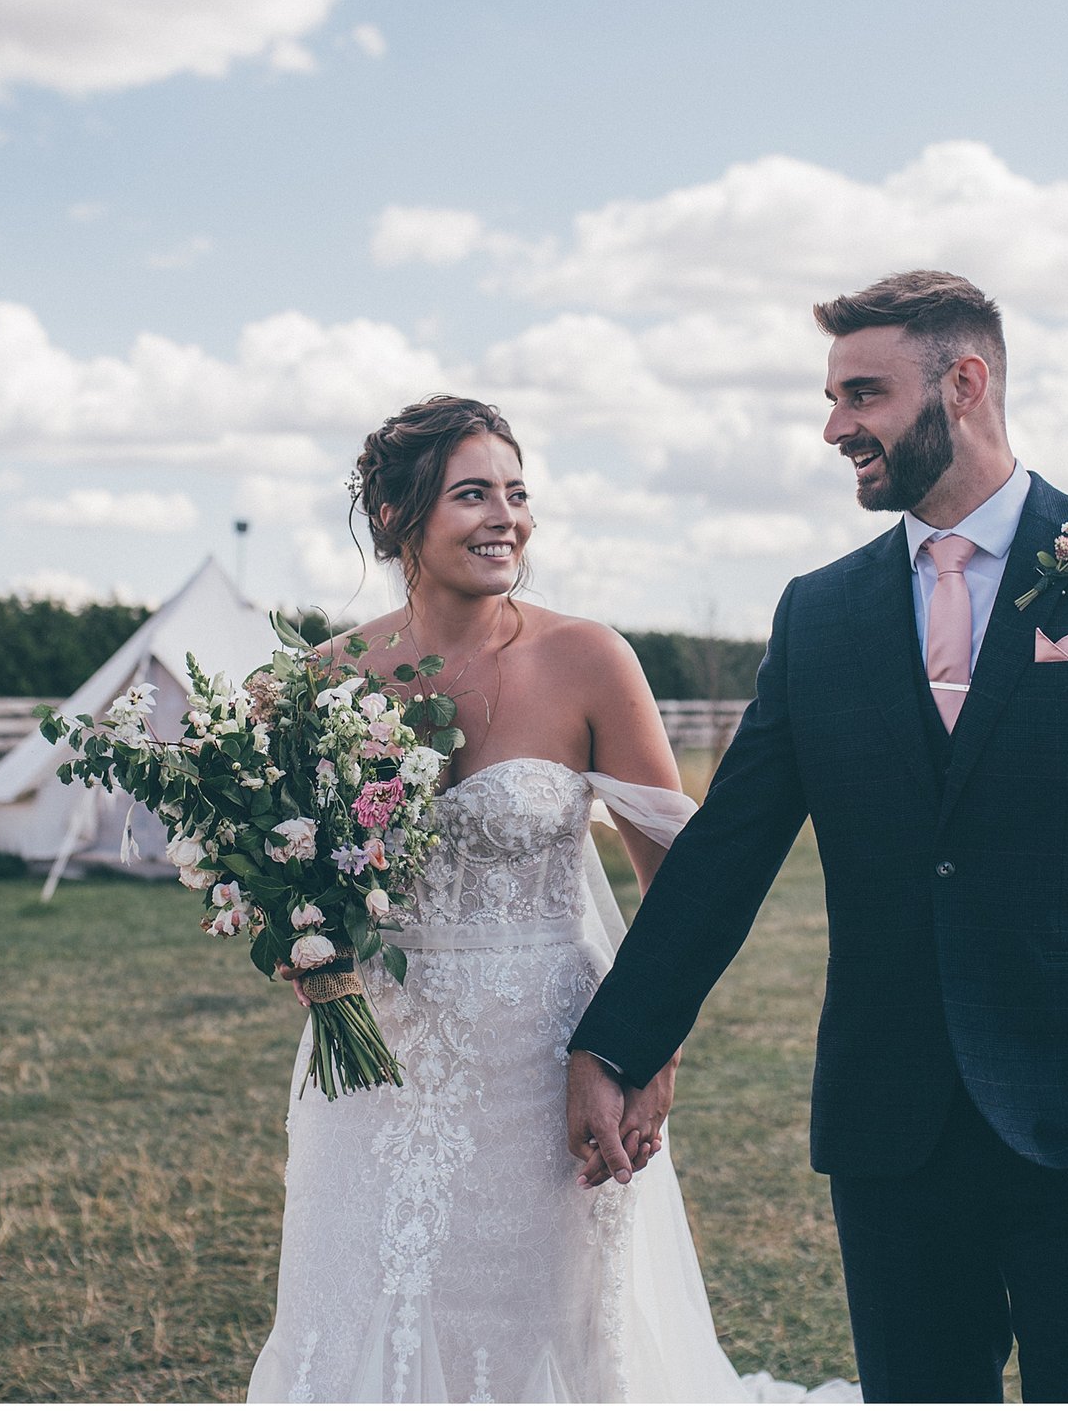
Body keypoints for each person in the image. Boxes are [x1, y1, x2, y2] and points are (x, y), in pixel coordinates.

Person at [567, 271, 1068, 1404]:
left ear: (965, 381)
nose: (834, 426)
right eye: (833, 396)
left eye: (863, 393)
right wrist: (615, 1042)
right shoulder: (821, 612)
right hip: (892, 1134)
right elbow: (727, 855)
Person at [245, 395, 849, 1404]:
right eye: (471, 493)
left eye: (517, 494)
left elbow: (683, 887)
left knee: (548, 1327)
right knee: (360, 1309)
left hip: (548, 1064)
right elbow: (294, 887)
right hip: (373, 1068)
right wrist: (298, 950)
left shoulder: (587, 660)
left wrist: (647, 1051)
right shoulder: (325, 680)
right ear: (398, 518)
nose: (506, 518)